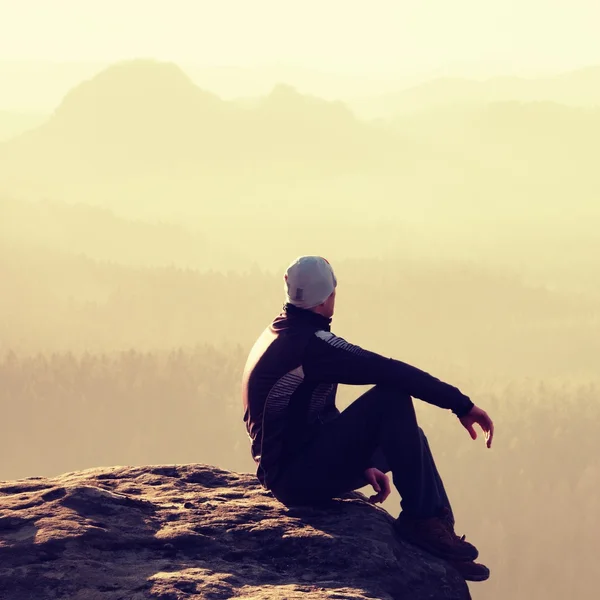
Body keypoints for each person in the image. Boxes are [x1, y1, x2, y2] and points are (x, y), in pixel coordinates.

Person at [242, 255, 494, 582]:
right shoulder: (311, 346)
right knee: (391, 399)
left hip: (295, 465)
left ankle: (439, 532)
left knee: (410, 438)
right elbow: (390, 371)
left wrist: (361, 462)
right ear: (327, 297)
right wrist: (460, 404)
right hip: (293, 478)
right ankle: (422, 520)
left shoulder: (283, 332)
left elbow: (305, 416)